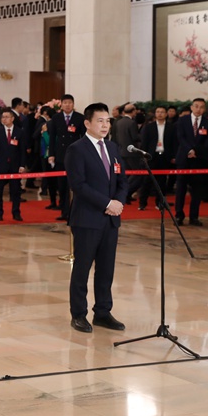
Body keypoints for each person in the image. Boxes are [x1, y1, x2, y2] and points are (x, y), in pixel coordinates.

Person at [66, 102, 128, 333]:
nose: (105, 125)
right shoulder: (77, 149)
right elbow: (79, 185)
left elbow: (122, 180)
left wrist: (118, 202)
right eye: (100, 121)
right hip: (87, 218)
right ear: (87, 123)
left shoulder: (112, 147)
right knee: (82, 268)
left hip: (111, 219)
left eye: (107, 121)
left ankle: (102, 312)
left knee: (106, 268)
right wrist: (107, 203)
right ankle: (78, 314)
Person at [174, 98, 208, 226]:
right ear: (191, 107)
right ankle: (179, 215)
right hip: (184, 159)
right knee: (181, 189)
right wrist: (189, 150)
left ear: (204, 109)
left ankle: (194, 217)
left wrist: (196, 151)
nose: (198, 109)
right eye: (196, 106)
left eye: (201, 107)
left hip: (199, 160)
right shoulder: (182, 120)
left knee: (197, 190)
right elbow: (180, 137)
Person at [48, 94, 85, 221]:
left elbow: (84, 137)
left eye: (70, 103)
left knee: (75, 185)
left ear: (73, 104)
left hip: (75, 155)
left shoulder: (80, 117)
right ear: (61, 105)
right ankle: (64, 212)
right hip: (60, 156)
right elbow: (52, 138)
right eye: (65, 103)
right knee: (62, 185)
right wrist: (51, 154)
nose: (67, 105)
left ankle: (76, 211)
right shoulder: (56, 117)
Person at [0, 108, 27, 222]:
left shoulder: (19, 132)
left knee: (16, 191)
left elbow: (22, 150)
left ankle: (16, 213)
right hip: (1, 166)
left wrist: (22, 165)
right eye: (3, 117)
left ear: (12, 118)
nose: (4, 119)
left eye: (7, 117)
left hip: (15, 166)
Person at [138, 105, 177, 210]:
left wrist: (173, 156)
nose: (160, 114)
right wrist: (144, 155)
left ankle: (160, 203)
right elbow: (144, 143)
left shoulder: (171, 127)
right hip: (151, 156)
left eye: (162, 112)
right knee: (147, 180)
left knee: (162, 182)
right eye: (158, 112)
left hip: (164, 156)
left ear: (166, 114)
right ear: (155, 114)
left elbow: (174, 143)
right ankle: (142, 203)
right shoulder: (149, 127)